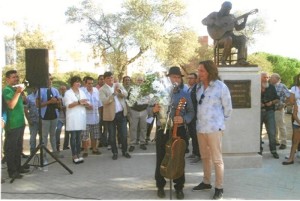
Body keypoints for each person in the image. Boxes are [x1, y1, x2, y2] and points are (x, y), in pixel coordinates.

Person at [150, 66, 194, 199]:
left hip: (179, 129)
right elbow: (150, 110)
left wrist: (184, 118)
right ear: (168, 78)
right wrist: (154, 110)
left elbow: (191, 112)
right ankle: (160, 185)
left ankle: (179, 187)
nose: (176, 79)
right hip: (162, 129)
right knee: (162, 157)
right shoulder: (158, 92)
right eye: (173, 77)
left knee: (178, 158)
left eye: (178, 77)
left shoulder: (185, 93)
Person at [191, 60, 232, 200]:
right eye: (198, 70)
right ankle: (206, 182)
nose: (199, 73)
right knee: (204, 157)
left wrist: (219, 122)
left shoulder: (221, 87)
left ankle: (219, 187)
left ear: (209, 71)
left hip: (215, 128)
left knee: (217, 159)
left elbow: (228, 108)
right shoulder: (198, 87)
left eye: (201, 71)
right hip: (201, 128)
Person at [202, 1, 249, 66]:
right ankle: (223, 60)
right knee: (228, 39)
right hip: (219, 39)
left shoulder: (232, 17)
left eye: (229, 9)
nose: (227, 10)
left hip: (232, 37)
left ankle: (241, 60)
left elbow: (238, 28)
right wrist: (214, 22)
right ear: (222, 7)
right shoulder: (214, 14)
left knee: (243, 38)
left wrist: (245, 20)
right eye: (226, 8)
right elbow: (203, 21)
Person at [2, 70, 30, 179]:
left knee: (18, 148)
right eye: (13, 77)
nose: (16, 79)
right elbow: (11, 105)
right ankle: (12, 171)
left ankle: (18, 167)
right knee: (11, 149)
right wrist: (18, 92)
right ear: (7, 79)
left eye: (17, 77)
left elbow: (25, 101)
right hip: (12, 124)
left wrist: (21, 93)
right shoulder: (7, 90)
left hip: (20, 123)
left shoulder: (15, 89)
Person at [99, 72, 131, 160]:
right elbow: (104, 101)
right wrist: (113, 94)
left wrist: (120, 91)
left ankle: (125, 151)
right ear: (105, 79)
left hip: (121, 114)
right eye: (108, 78)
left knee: (124, 135)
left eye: (112, 78)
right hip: (110, 116)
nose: (110, 79)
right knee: (112, 136)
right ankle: (115, 152)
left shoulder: (118, 85)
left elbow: (126, 94)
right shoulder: (102, 89)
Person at [36, 74, 63, 163]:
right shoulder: (40, 90)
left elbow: (59, 103)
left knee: (53, 135)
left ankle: (55, 152)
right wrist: (49, 102)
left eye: (51, 79)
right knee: (44, 136)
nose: (50, 81)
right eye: (48, 79)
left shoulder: (55, 90)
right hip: (45, 117)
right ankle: (43, 155)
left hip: (54, 116)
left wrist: (58, 101)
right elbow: (38, 105)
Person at [64, 76, 89, 164]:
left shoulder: (82, 92)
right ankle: (74, 155)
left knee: (79, 137)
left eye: (79, 82)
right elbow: (68, 105)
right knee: (73, 137)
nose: (78, 84)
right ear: (72, 83)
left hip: (80, 117)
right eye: (76, 82)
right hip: (73, 118)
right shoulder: (68, 93)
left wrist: (86, 103)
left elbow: (86, 102)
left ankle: (78, 153)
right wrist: (79, 102)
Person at [259, 72, 280, 159]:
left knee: (272, 132)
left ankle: (273, 150)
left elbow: (277, 99)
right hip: (258, 112)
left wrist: (271, 102)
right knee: (257, 132)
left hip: (270, 112)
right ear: (260, 78)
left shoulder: (271, 87)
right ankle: (259, 150)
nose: (266, 79)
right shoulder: (255, 86)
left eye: (267, 77)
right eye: (264, 77)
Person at [81, 76, 102, 157]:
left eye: (92, 83)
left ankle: (94, 149)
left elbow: (99, 103)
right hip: (85, 118)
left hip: (95, 117)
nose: (90, 85)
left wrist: (100, 115)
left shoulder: (96, 90)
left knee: (95, 135)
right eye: (88, 83)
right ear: (85, 83)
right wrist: (86, 105)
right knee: (85, 135)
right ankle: (85, 150)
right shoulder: (81, 91)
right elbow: (79, 101)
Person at [269, 73, 290, 149]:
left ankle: (283, 143)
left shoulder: (282, 86)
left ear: (276, 79)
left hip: (279, 109)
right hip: (271, 109)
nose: (270, 79)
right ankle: (276, 141)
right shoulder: (270, 86)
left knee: (281, 126)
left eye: (272, 77)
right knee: (273, 126)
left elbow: (289, 96)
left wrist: (284, 105)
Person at [127, 76, 148, 152]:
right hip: (134, 111)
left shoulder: (146, 90)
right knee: (133, 128)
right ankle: (132, 144)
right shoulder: (132, 89)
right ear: (136, 81)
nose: (139, 81)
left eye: (141, 80)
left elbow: (149, 99)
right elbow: (128, 99)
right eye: (138, 80)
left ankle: (142, 142)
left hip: (144, 111)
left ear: (143, 81)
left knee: (143, 128)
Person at [185, 73, 201, 164]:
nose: (189, 80)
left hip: (195, 115)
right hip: (190, 116)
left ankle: (198, 154)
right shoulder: (189, 88)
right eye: (188, 78)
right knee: (192, 135)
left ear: (195, 79)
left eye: (191, 78)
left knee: (196, 136)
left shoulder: (197, 89)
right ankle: (194, 152)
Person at [282, 99, 300, 165]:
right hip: (297, 125)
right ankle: (291, 159)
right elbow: (294, 114)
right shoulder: (297, 102)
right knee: (295, 142)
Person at [24, 87, 39, 155]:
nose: (35, 89)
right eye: (34, 87)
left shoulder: (41, 95)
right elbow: (26, 109)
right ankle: (32, 152)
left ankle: (42, 152)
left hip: (42, 120)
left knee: (43, 137)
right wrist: (29, 120)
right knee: (33, 136)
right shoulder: (29, 97)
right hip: (33, 120)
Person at [55, 85, 70, 151]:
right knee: (58, 130)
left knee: (67, 133)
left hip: (67, 117)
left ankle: (65, 146)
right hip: (60, 117)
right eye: (61, 89)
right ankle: (57, 145)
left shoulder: (68, 97)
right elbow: (58, 107)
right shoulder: (58, 97)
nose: (63, 90)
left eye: (64, 89)